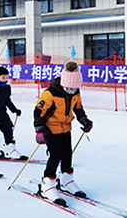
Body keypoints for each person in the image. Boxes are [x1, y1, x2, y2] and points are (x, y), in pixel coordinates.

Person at [33, 60, 93, 206]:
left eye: (75, 88)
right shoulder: (50, 94)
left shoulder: (76, 92)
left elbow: (78, 108)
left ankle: (67, 181)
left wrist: (84, 121)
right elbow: (38, 113)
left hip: (66, 127)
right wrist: (39, 130)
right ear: (63, 83)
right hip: (50, 128)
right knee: (55, 155)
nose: (72, 90)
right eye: (70, 87)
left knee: (67, 154)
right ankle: (47, 185)